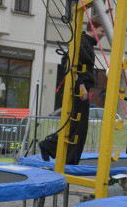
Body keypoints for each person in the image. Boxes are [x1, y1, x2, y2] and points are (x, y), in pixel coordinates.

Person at [40, 15, 105, 165]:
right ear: (93, 28)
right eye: (102, 30)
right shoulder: (83, 43)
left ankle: (52, 148)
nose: (103, 34)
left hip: (80, 88)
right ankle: (66, 157)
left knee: (74, 126)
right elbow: (73, 65)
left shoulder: (85, 42)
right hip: (78, 89)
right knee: (79, 128)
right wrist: (81, 86)